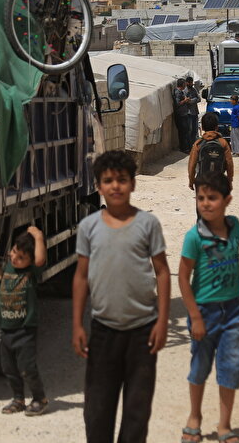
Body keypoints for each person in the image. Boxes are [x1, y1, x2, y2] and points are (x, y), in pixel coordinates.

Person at [73, 150, 171, 443]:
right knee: (98, 409)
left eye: (122, 180)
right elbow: (80, 277)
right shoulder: (89, 227)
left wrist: (163, 321)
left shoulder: (147, 225)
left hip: (143, 333)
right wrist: (77, 324)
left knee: (137, 412)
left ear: (133, 184)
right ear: (99, 186)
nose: (115, 186)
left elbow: (163, 272)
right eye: (108, 180)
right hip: (103, 332)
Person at [179, 172, 239, 443]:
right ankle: (194, 417)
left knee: (230, 367)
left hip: (234, 312)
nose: (206, 203)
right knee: (199, 366)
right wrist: (195, 316)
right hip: (204, 312)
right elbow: (184, 279)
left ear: (227, 200)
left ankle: (224, 425)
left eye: (212, 198)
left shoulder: (233, 226)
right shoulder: (193, 237)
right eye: (201, 198)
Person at [0, 226, 49, 415]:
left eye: (21, 257)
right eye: (13, 252)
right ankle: (18, 399)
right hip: (6, 328)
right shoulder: (10, 267)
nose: (14, 258)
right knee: (9, 368)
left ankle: (39, 398)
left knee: (27, 367)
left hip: (24, 329)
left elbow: (40, 259)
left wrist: (38, 236)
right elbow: (3, 278)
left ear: (28, 261)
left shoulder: (31, 272)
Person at [189, 111, 234, 191]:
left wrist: (191, 181)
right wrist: (229, 181)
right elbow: (229, 163)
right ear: (216, 127)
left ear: (202, 128)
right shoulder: (223, 142)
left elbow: (192, 165)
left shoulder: (198, 144)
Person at [174, 78, 193, 152]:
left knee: (186, 131)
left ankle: (186, 147)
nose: (186, 85)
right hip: (180, 115)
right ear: (182, 85)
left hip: (184, 114)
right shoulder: (178, 93)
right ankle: (184, 148)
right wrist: (185, 100)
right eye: (184, 84)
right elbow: (177, 103)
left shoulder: (181, 92)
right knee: (183, 132)